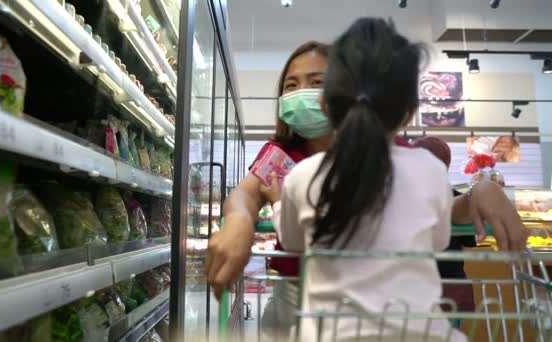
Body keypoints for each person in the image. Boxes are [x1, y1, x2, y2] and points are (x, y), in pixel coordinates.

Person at [205, 26, 527, 318]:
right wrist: (238, 219)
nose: (301, 93)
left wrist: (480, 193)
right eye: (291, 86)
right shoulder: (281, 152)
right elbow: (246, 192)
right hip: (295, 294)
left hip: (379, 300)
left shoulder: (393, 149)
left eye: (316, 83)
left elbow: (440, 207)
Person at [259, 18, 464, 341]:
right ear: (410, 112)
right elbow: (437, 242)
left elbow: (295, 243)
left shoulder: (304, 177)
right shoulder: (431, 170)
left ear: (326, 104)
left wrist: (275, 202)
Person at [412, 136, 476, 328]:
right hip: (451, 287)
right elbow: (467, 244)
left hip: (413, 287)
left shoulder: (401, 198)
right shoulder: (459, 201)